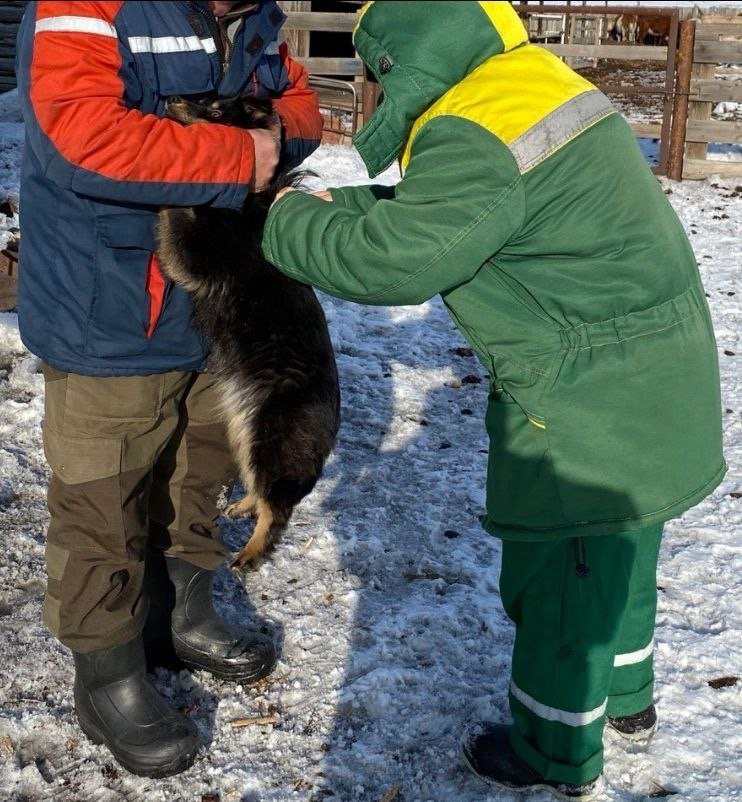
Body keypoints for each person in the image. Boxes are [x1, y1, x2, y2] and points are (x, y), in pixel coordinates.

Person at [261, 2, 726, 799]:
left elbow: (401, 263)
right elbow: (473, 212)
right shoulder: (527, 83)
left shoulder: (468, 131)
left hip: (586, 392)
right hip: (654, 364)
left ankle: (553, 751)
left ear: (401, 58)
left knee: (562, 577)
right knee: (624, 541)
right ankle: (626, 700)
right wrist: (354, 206)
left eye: (375, 70)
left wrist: (287, 222)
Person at [15, 0, 322, 779]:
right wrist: (237, 153)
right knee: (103, 498)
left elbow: (302, 110)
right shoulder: (84, 5)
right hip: (108, 308)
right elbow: (78, 138)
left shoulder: (257, 14)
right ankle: (107, 674)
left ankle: (184, 612)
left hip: (219, 307)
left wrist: (267, 139)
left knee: (197, 476)